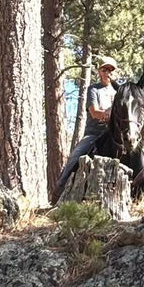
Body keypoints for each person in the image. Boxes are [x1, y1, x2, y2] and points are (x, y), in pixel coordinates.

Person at [54, 56, 121, 200]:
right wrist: (109, 114)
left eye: (111, 70)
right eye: (104, 69)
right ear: (99, 71)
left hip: (115, 134)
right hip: (95, 133)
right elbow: (94, 112)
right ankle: (59, 189)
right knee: (76, 155)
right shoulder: (94, 89)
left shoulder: (119, 92)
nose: (107, 73)